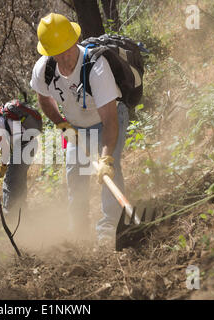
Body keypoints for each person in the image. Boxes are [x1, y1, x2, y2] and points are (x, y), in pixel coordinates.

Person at [29, 13, 129, 246]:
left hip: (109, 118)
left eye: (67, 50)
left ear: (75, 42)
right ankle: (79, 234)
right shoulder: (43, 69)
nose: (64, 59)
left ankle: (108, 231)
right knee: (76, 175)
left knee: (109, 172)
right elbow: (44, 99)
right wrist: (61, 123)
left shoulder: (97, 68)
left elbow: (110, 122)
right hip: (75, 126)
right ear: (48, 52)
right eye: (57, 53)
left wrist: (105, 159)